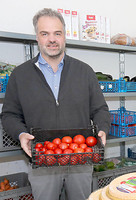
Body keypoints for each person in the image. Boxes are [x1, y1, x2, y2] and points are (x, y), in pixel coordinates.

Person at [0, 8, 111, 200]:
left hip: (81, 159)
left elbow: (100, 108)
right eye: (45, 33)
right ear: (37, 37)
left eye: (57, 33)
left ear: (64, 36)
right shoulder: (20, 75)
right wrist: (20, 133)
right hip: (42, 159)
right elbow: (9, 114)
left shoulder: (84, 71)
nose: (52, 39)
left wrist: (102, 128)